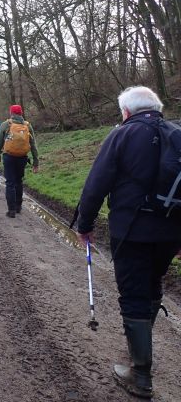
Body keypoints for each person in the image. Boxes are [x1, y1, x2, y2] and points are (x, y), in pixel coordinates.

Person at [75, 86, 181, 399]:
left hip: (132, 229)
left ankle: (141, 374)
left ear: (126, 111)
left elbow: (97, 183)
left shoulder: (122, 135)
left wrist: (85, 224)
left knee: (133, 292)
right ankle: (140, 348)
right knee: (152, 284)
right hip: (169, 232)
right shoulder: (176, 134)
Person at [0, 105, 39, 217]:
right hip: (22, 157)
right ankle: (19, 206)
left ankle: (11, 210)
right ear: (21, 113)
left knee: (10, 182)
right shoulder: (27, 126)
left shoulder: (6, 124)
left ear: (11, 113)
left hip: (8, 157)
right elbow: (33, 145)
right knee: (19, 181)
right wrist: (35, 161)